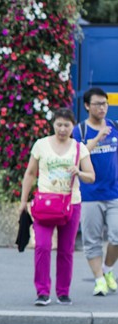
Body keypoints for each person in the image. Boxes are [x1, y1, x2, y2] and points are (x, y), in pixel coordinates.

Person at [20, 108, 95, 306]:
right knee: (42, 247)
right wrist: (23, 201)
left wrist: (78, 172)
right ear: (53, 124)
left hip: (71, 204)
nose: (62, 129)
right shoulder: (41, 145)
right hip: (45, 204)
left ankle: (63, 292)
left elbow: (91, 176)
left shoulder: (79, 148)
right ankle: (42, 292)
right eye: (59, 124)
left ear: (73, 126)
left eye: (67, 125)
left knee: (66, 250)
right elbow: (30, 173)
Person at [72, 87, 118, 296]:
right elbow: (76, 155)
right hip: (89, 194)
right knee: (91, 240)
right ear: (87, 106)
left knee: (116, 236)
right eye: (98, 103)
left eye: (105, 103)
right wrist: (98, 137)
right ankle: (99, 280)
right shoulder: (80, 131)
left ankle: (107, 271)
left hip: (114, 193)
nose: (103, 107)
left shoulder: (115, 126)